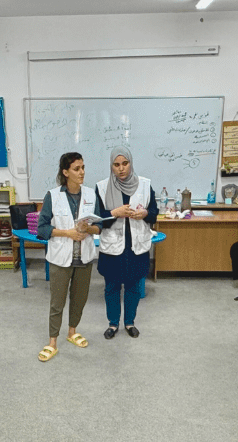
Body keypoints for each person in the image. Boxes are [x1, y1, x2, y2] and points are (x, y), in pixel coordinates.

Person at [36, 152, 108, 362]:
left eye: (83, 167)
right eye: (77, 169)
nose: (82, 172)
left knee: (79, 299)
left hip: (84, 257)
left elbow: (100, 226)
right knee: (57, 302)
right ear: (65, 172)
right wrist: (67, 233)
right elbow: (42, 229)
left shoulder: (91, 195)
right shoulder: (53, 196)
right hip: (60, 257)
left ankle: (72, 331)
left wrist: (89, 229)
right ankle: (52, 341)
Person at [95, 147, 158, 338]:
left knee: (132, 287)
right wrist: (115, 213)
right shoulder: (102, 187)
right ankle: (113, 324)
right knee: (112, 287)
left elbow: (154, 213)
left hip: (136, 247)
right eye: (116, 165)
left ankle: (129, 322)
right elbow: (97, 218)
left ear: (130, 163)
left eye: (125, 163)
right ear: (111, 166)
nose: (121, 168)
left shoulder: (145, 185)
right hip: (112, 248)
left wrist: (145, 213)